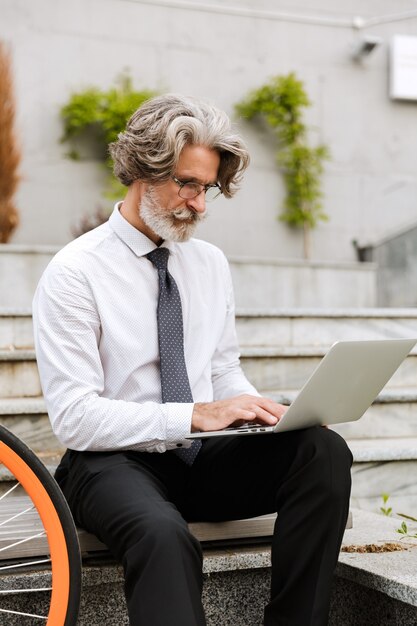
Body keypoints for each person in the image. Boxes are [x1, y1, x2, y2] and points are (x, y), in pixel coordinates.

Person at [32, 93, 352, 626]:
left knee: (321, 452)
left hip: (200, 456)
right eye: (187, 184)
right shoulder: (75, 273)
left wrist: (253, 410)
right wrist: (193, 414)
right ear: (142, 170)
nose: (199, 204)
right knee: (162, 533)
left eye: (206, 189)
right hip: (109, 463)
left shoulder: (208, 263)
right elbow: (75, 418)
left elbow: (222, 367)